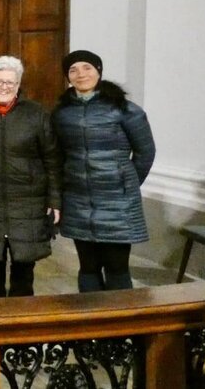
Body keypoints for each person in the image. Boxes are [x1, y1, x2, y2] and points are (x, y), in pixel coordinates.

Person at [53, 50, 155, 292]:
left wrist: (125, 183)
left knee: (117, 267)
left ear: (98, 71)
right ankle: (91, 324)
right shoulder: (62, 113)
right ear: (68, 77)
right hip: (78, 200)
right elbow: (58, 156)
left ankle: (121, 325)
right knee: (88, 267)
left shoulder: (125, 109)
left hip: (116, 202)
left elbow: (145, 153)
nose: (81, 74)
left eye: (87, 68)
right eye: (73, 70)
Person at [0, 56, 61, 298]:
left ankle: (21, 324)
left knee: (24, 267)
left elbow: (52, 160)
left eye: (10, 83)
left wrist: (54, 199)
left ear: (18, 84)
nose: (3, 87)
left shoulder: (37, 115)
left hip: (28, 202)